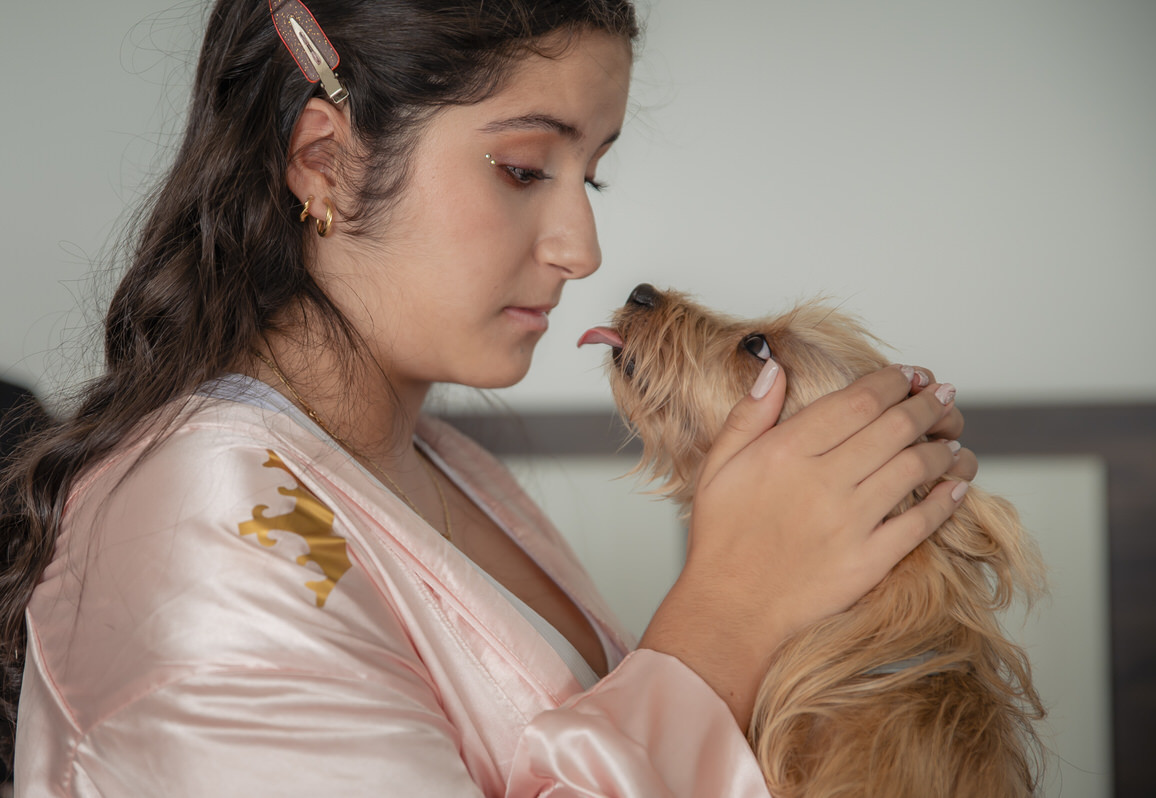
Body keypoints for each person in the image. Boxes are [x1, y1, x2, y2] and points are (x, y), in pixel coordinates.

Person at [0, 1, 976, 794]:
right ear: (324, 160)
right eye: (522, 169)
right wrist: (726, 615)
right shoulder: (198, 541)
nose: (582, 247)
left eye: (591, 177)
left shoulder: (435, 462)